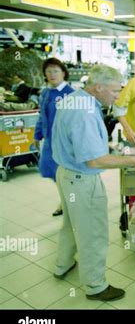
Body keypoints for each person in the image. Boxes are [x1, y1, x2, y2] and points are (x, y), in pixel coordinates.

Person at [52, 65, 135, 301]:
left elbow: (87, 145)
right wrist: (134, 161)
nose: (118, 96)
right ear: (98, 87)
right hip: (82, 181)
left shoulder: (75, 99)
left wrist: (129, 151)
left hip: (66, 174)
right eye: (115, 91)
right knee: (93, 233)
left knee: (70, 224)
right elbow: (95, 162)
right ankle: (95, 286)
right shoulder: (86, 113)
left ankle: (63, 264)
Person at [33, 58, 75, 216]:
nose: (52, 74)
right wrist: (37, 136)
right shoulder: (45, 92)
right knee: (50, 170)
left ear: (63, 73)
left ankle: (67, 203)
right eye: (48, 71)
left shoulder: (71, 94)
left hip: (64, 143)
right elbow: (41, 116)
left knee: (64, 173)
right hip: (49, 140)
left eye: (55, 70)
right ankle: (64, 201)